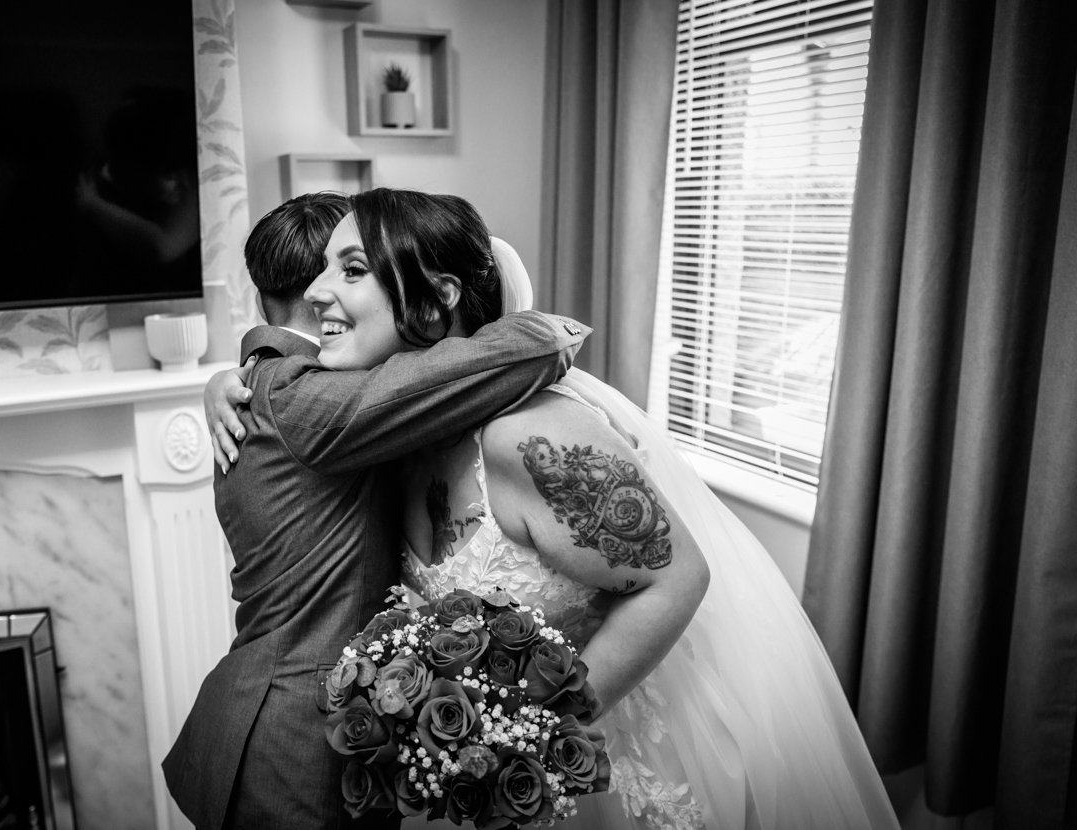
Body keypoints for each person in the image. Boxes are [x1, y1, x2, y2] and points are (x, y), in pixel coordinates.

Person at [207, 188, 902, 830]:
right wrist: (226, 380)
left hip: (590, 760)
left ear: (437, 297)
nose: (317, 292)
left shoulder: (529, 437)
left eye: (351, 269)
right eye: (324, 269)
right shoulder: (392, 437)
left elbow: (679, 576)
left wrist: (535, 734)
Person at [162, 191, 591, 830]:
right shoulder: (309, 398)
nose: (331, 288)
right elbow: (529, 347)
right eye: (341, 268)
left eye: (356, 268)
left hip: (256, 707)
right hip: (293, 740)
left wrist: (226, 373)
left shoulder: (262, 381)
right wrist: (556, 326)